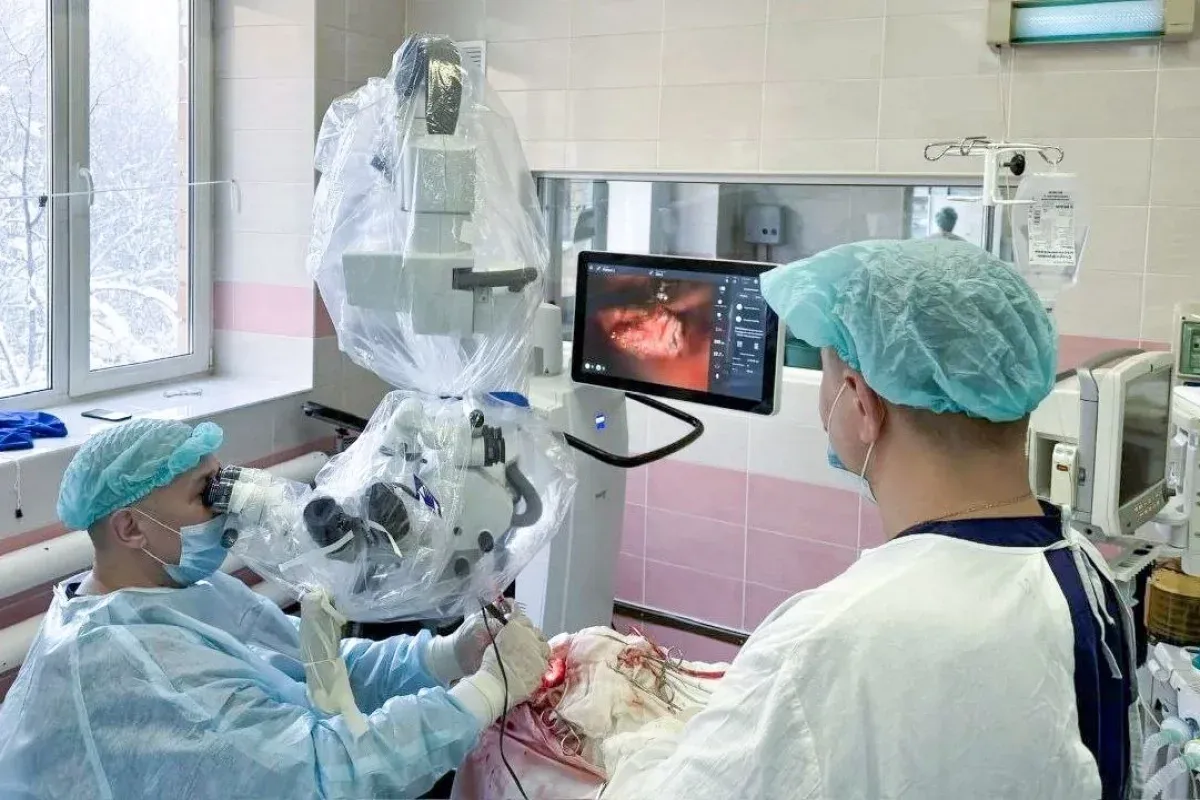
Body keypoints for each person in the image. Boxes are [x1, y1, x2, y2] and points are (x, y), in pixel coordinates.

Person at [601, 238, 1136, 800]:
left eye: (827, 374)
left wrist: (640, 746)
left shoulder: (837, 640)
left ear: (860, 402)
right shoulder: (1089, 580)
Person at [0, 418, 551, 799]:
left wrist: (445, 656)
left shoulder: (186, 592)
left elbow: (316, 668)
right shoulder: (122, 665)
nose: (227, 511)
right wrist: (483, 695)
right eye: (205, 494)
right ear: (130, 528)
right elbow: (320, 778)